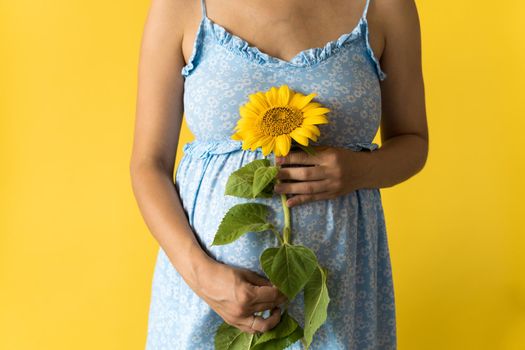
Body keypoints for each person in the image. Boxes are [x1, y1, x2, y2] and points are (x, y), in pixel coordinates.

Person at [130, 0, 427, 348]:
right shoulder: (180, 6)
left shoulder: (386, 6)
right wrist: (203, 277)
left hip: (338, 297)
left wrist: (361, 170)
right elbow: (148, 164)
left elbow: (413, 141)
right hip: (209, 296)